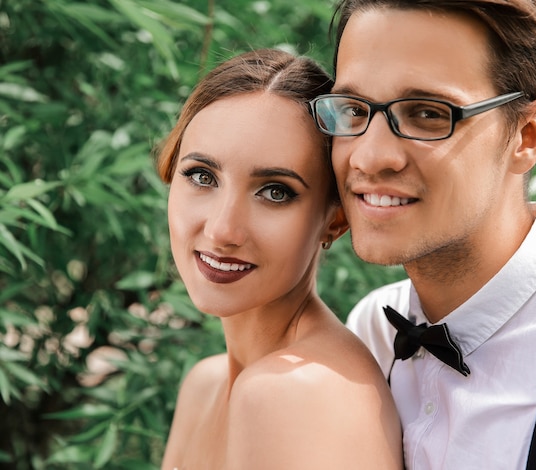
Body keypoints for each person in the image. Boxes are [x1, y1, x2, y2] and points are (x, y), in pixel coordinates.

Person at [307, 1, 536, 468]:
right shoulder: (373, 328)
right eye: (354, 110)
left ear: (528, 135)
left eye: (428, 114)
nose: (369, 156)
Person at [156, 48, 403, 470]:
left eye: (275, 191)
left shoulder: (292, 391)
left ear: (336, 219)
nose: (221, 230)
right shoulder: (206, 384)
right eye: (202, 176)